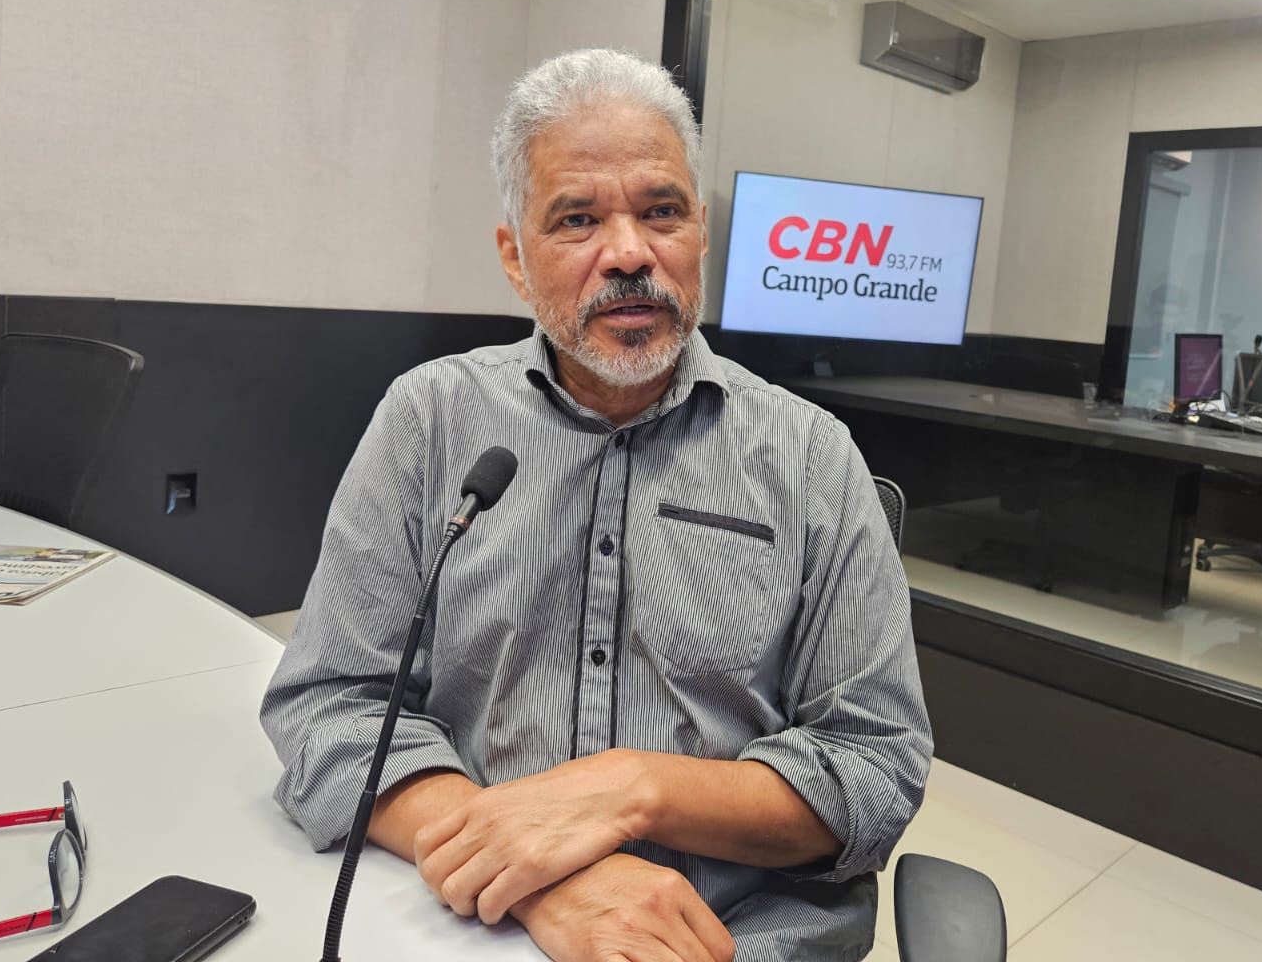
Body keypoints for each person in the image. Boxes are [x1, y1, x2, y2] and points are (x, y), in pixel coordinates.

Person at [261, 48, 932, 962]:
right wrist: (547, 872)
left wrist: (632, 789)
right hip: (475, 924)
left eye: (662, 211)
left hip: (736, 938)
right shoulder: (429, 421)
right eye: (577, 219)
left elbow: (876, 769)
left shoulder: (813, 457)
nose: (628, 254)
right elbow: (330, 707)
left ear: (701, 233)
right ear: (514, 258)